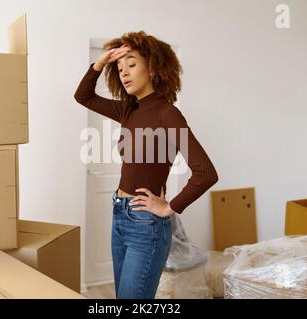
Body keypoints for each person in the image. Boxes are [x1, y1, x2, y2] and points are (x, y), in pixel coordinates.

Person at [74, 31, 218, 299]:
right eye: (119, 68)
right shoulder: (128, 110)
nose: (124, 72)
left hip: (145, 224)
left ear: (152, 67)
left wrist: (170, 207)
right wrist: (100, 63)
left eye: (131, 64)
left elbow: (206, 173)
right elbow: (83, 96)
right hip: (119, 213)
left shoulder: (167, 113)